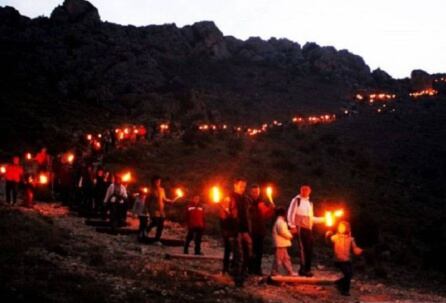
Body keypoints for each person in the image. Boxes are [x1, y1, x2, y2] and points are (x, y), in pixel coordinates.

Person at [287, 185, 325, 277]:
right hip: (300, 227)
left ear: (310, 191)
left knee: (309, 248)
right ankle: (303, 270)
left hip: (308, 228)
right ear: (301, 191)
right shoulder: (296, 200)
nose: (305, 192)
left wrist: (324, 219)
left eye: (307, 190)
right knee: (303, 248)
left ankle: (307, 269)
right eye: (303, 190)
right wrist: (292, 226)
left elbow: (311, 218)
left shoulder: (309, 202)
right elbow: (290, 213)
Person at [326, 221, 363, 296]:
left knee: (350, 274)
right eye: (340, 227)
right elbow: (328, 242)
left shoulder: (351, 239)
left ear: (347, 228)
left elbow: (355, 248)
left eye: (343, 227)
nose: (341, 228)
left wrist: (358, 251)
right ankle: (345, 290)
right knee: (348, 274)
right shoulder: (336, 237)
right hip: (339, 260)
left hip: (347, 260)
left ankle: (339, 283)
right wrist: (327, 235)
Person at [228, 178, 252, 287]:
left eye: (244, 186)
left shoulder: (245, 199)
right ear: (235, 185)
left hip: (245, 230)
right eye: (241, 186)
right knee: (238, 255)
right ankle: (238, 279)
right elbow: (226, 216)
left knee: (248, 253)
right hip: (235, 230)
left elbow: (247, 215)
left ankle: (243, 274)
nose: (243, 188)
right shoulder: (230, 198)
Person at [248, 184, 275, 275]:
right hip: (250, 230)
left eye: (257, 192)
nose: (256, 194)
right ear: (250, 192)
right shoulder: (248, 202)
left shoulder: (261, 203)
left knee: (259, 251)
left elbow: (266, 214)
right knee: (251, 250)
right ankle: (250, 268)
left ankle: (257, 269)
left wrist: (271, 209)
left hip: (260, 230)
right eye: (254, 192)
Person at [146, 176, 178, 245]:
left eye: (159, 182)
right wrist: (146, 209)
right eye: (157, 182)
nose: (158, 183)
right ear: (153, 182)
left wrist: (170, 201)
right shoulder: (151, 190)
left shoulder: (162, 190)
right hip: (153, 210)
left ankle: (157, 239)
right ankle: (146, 231)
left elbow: (164, 199)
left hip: (161, 210)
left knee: (161, 225)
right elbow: (147, 201)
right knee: (155, 222)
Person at [271, 207, 297, 276]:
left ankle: (289, 271)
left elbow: (283, 231)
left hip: (281, 244)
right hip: (280, 244)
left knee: (286, 259)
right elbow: (282, 232)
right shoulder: (280, 222)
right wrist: (290, 235)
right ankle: (274, 272)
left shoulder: (279, 222)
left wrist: (290, 231)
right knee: (278, 259)